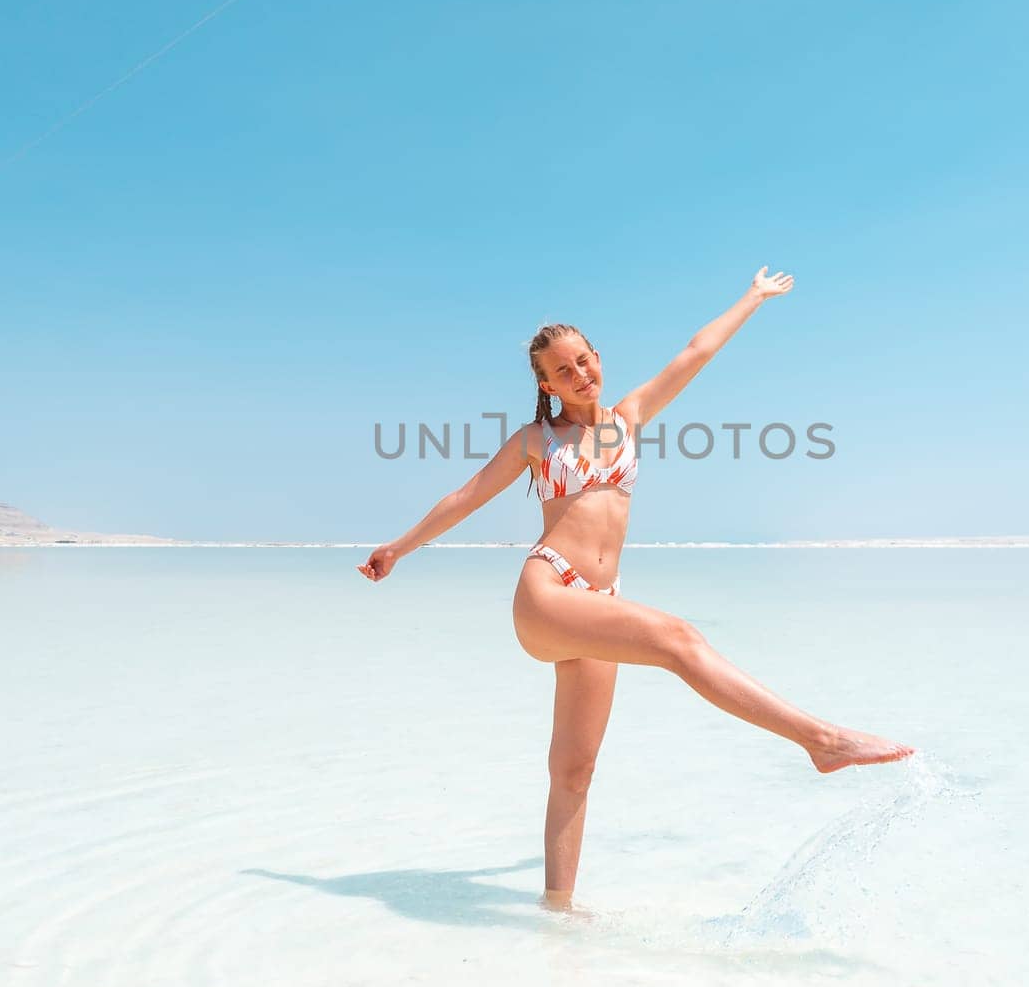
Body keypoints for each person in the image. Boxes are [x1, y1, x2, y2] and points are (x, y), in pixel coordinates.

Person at [358, 267, 913, 911]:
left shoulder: (629, 418)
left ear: (598, 359)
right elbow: (465, 497)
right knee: (678, 637)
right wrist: (399, 548)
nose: (580, 376)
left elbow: (695, 352)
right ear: (546, 384)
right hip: (547, 593)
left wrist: (753, 297)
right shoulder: (536, 441)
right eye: (563, 372)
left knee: (575, 771)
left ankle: (556, 913)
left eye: (584, 361)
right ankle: (822, 741)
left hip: (600, 605)